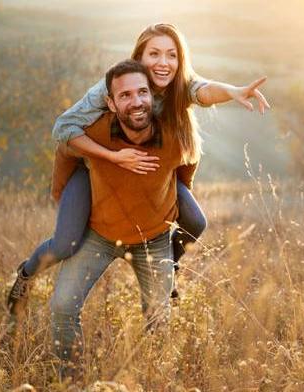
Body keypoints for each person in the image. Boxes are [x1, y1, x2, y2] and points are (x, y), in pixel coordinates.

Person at [6, 23, 270, 315]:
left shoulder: (177, 84)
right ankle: (26, 275)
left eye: (172, 55)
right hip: (96, 167)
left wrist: (233, 91)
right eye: (154, 53)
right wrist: (112, 156)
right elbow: (62, 128)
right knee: (66, 243)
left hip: (150, 171)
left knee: (195, 221)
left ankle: (168, 269)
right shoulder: (116, 86)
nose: (163, 62)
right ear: (139, 58)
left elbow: (203, 91)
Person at [50, 59, 193, 378]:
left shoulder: (173, 133)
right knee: (62, 306)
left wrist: (177, 197)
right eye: (125, 95)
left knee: (160, 317)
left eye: (142, 92)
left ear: (152, 97)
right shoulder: (95, 132)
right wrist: (61, 196)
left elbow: (187, 162)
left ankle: (157, 381)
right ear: (111, 103)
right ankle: (69, 381)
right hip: (99, 235)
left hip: (154, 239)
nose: (137, 101)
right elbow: (64, 149)